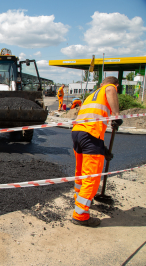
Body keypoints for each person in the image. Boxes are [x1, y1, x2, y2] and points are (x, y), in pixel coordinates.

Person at [71, 76, 123, 227]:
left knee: (81, 172)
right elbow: (110, 89)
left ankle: (81, 200)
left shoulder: (90, 96)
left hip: (78, 133)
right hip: (91, 134)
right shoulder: (109, 88)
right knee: (91, 177)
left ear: (100, 84)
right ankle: (80, 215)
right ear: (116, 86)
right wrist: (116, 115)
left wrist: (103, 149)